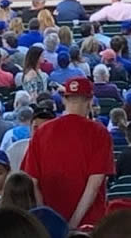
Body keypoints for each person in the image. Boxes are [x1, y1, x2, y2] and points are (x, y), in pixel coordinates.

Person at [19, 77, 112, 231]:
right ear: (89, 101)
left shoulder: (42, 131)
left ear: (64, 100)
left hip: (50, 225)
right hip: (88, 224)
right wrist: (72, 225)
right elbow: (94, 184)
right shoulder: (99, 132)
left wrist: (47, 220)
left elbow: (32, 182)